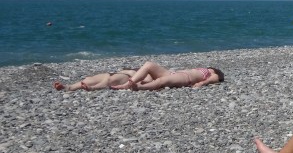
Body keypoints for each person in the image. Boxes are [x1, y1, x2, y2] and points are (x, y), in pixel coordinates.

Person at [54, 62, 224, 91]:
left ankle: (137, 87)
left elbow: (214, 79)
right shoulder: (203, 69)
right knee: (149, 64)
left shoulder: (212, 73)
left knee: (162, 81)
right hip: (172, 73)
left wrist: (201, 84)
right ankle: (70, 87)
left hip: (184, 78)